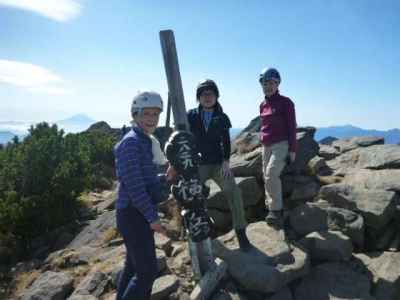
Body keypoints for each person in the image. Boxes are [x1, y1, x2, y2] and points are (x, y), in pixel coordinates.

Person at [114, 91, 171, 300]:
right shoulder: (131, 143)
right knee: (146, 272)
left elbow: (145, 178)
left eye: (155, 114)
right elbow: (135, 188)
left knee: (132, 267)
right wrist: (152, 218)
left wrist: (166, 177)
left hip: (134, 213)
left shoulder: (144, 140)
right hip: (133, 214)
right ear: (135, 115)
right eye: (146, 114)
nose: (151, 119)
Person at [187, 79, 251, 251]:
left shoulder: (222, 118)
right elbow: (183, 138)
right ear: (198, 97)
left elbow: (226, 142)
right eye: (204, 94)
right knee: (191, 195)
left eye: (211, 93)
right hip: (199, 164)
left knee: (234, 192)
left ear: (216, 96)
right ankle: (198, 230)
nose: (207, 97)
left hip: (217, 164)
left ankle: (241, 232)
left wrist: (226, 162)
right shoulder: (191, 115)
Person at [259, 68, 297, 228]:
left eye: (271, 83)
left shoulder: (286, 103)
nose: (268, 86)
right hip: (266, 145)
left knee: (271, 174)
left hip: (281, 144)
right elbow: (264, 125)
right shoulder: (262, 104)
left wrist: (293, 149)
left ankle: (276, 210)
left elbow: (291, 126)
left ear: (277, 84)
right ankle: (270, 208)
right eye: (265, 83)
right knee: (265, 176)